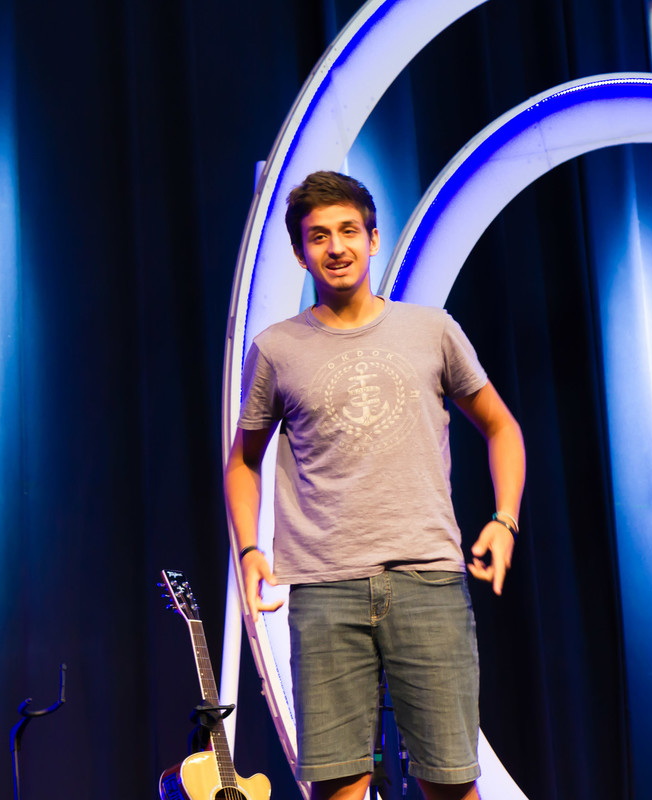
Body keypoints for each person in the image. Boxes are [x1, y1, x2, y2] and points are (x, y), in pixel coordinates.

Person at [224, 171, 525, 800]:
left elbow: (502, 427)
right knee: (339, 787)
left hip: (428, 580)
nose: (335, 247)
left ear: (372, 238)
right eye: (318, 236)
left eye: (348, 231)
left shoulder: (431, 329)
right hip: (324, 589)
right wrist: (250, 550)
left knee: (450, 782)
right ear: (300, 251)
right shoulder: (277, 349)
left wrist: (504, 518)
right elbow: (243, 462)